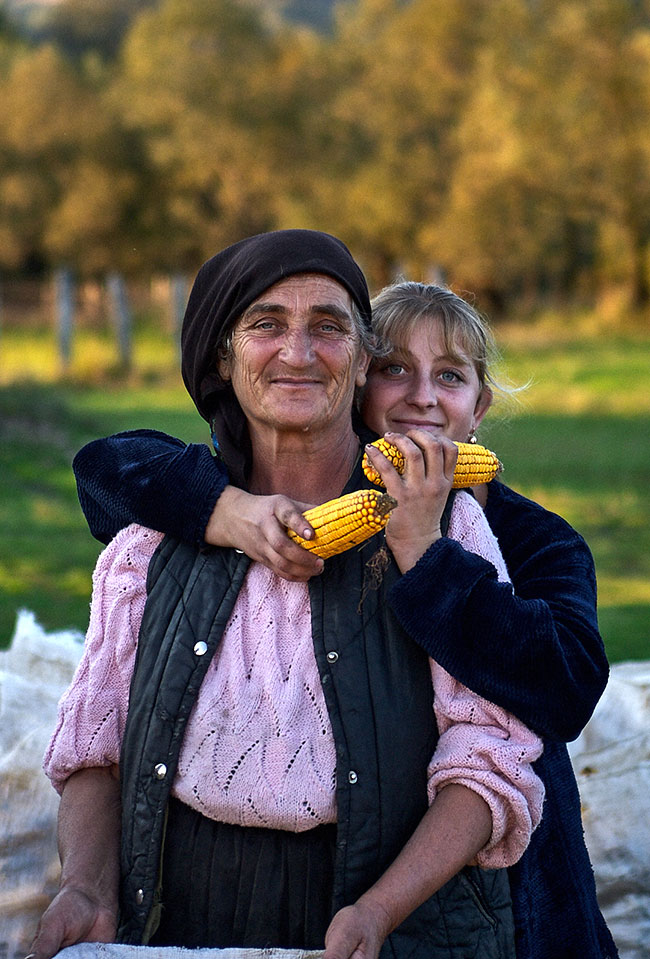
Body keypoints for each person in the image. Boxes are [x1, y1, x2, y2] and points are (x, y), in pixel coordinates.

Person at [70, 279, 618, 959]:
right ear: (359, 385)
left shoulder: (533, 536)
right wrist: (227, 511)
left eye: (449, 376)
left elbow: (565, 685)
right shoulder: (306, 508)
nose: (421, 396)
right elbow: (105, 469)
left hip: (516, 875)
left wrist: (425, 551)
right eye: (395, 370)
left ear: (479, 406)